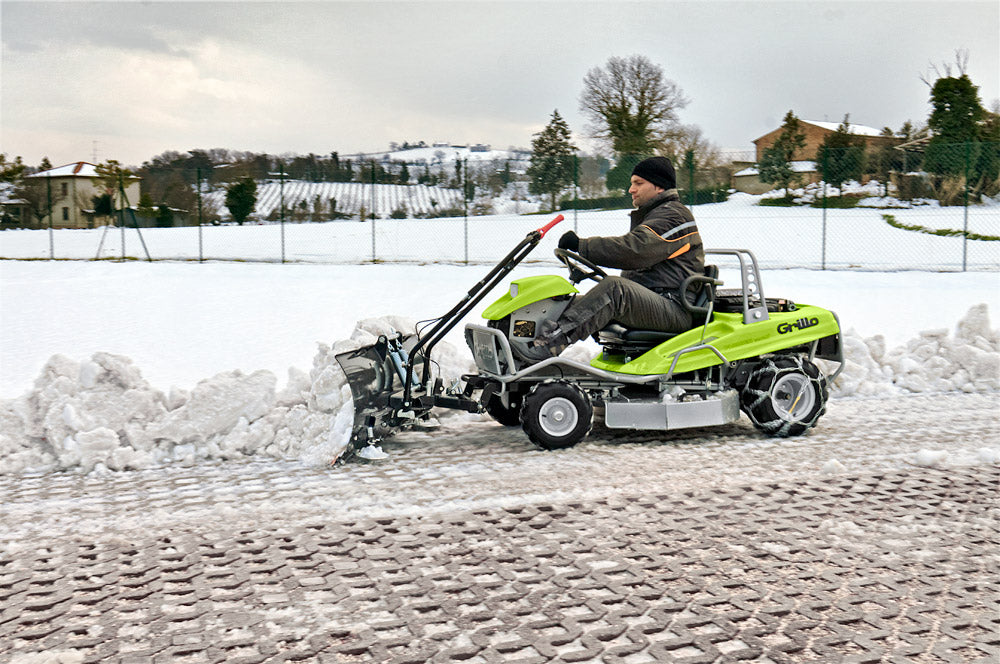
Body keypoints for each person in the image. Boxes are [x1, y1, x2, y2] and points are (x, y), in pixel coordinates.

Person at [532, 156, 705, 356]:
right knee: (564, 304)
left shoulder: (674, 216)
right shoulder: (656, 214)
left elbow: (635, 250)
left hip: (674, 307)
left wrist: (583, 246)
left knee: (615, 290)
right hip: (654, 300)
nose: (631, 189)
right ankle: (515, 347)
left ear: (659, 186)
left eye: (638, 183)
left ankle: (546, 345)